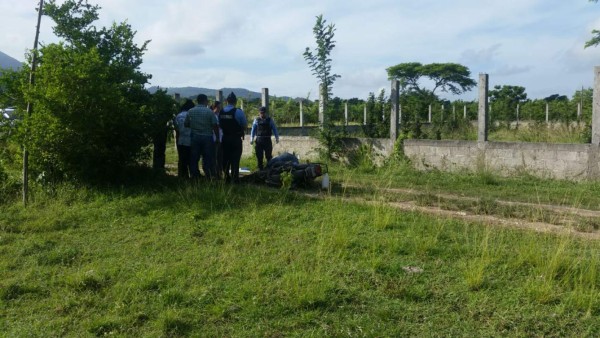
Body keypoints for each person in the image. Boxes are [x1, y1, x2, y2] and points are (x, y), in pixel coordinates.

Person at [185, 94, 219, 179]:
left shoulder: (190, 111)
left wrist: (194, 126)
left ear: (197, 101)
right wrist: (217, 137)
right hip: (207, 136)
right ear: (205, 101)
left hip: (195, 136)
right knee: (207, 156)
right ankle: (208, 174)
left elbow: (186, 124)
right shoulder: (209, 112)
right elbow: (215, 125)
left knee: (194, 157)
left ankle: (194, 175)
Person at [219, 92, 247, 182]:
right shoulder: (238, 112)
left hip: (225, 138)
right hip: (235, 138)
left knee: (225, 158)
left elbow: (220, 124)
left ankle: (226, 177)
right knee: (235, 159)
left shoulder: (221, 111)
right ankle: (235, 179)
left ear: (227, 101)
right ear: (235, 101)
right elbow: (244, 125)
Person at [173, 99, 195, 178]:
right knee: (191, 160)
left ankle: (182, 176)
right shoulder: (192, 115)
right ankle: (193, 176)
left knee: (182, 160)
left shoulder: (178, 116)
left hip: (181, 140)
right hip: (190, 140)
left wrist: (177, 141)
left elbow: (177, 130)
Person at [211, 100, 224, 177]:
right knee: (214, 157)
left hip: (221, 138)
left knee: (220, 157)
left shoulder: (219, 115)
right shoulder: (212, 115)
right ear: (214, 107)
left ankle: (219, 172)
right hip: (214, 139)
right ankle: (215, 173)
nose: (219, 109)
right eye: (218, 107)